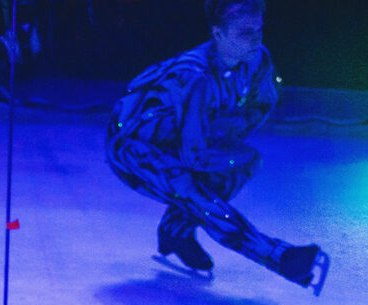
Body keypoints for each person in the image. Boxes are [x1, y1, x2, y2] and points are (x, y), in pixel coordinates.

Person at [106, 0, 327, 290]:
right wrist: (227, 145)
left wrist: (231, 139)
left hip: (181, 143)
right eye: (245, 33)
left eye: (258, 31)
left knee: (243, 163)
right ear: (218, 35)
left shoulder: (257, 60)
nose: (256, 40)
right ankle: (278, 255)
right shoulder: (193, 76)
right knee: (189, 184)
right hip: (134, 148)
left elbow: (261, 105)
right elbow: (194, 157)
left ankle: (176, 231)